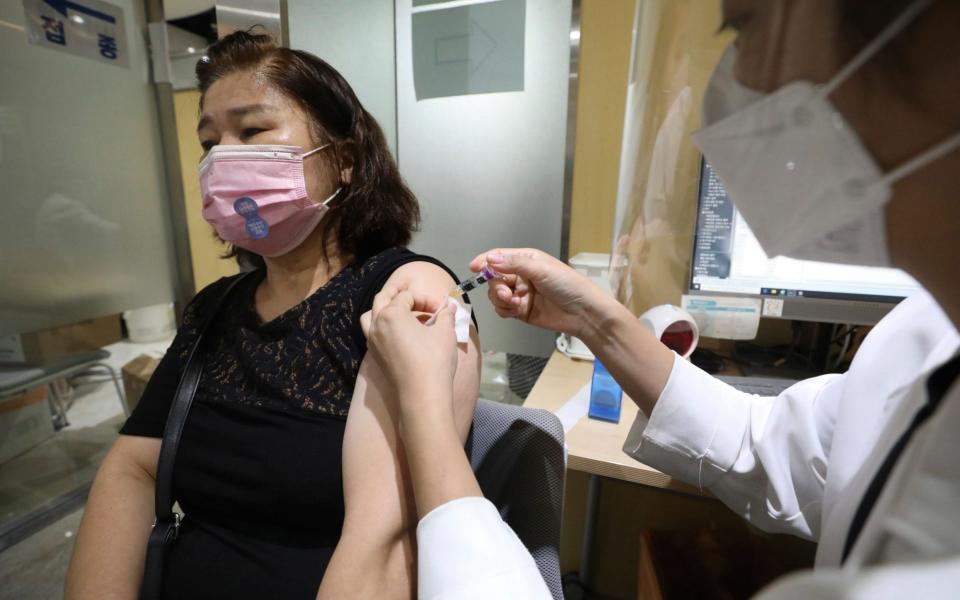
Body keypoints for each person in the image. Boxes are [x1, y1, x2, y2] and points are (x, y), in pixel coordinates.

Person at [362, 0, 960, 597]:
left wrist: (423, 405)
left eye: (744, 25)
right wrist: (594, 319)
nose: (737, 80)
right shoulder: (922, 338)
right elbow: (767, 443)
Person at [64, 31, 481, 600]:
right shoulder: (215, 308)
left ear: (345, 161)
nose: (221, 159)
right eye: (210, 142)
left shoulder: (402, 295)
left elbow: (385, 538)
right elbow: (132, 468)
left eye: (253, 130)